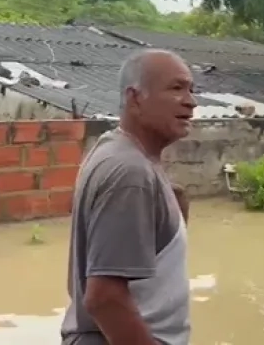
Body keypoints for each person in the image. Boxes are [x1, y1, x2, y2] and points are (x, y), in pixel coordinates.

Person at [60, 49, 197, 345]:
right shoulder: (129, 173)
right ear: (135, 98)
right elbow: (105, 298)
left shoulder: (116, 151)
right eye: (176, 88)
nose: (191, 101)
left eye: (191, 89)